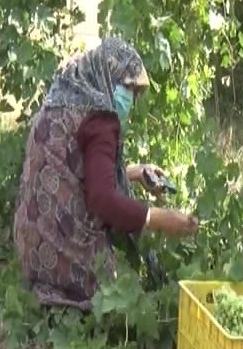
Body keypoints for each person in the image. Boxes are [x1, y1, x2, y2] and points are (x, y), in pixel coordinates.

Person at [13, 37, 199, 311]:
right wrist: (160, 218)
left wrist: (133, 173)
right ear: (107, 75)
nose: (132, 100)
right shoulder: (101, 120)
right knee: (128, 294)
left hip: (31, 245)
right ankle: (76, 295)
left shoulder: (61, 99)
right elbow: (103, 199)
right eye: (129, 88)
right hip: (63, 252)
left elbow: (71, 169)